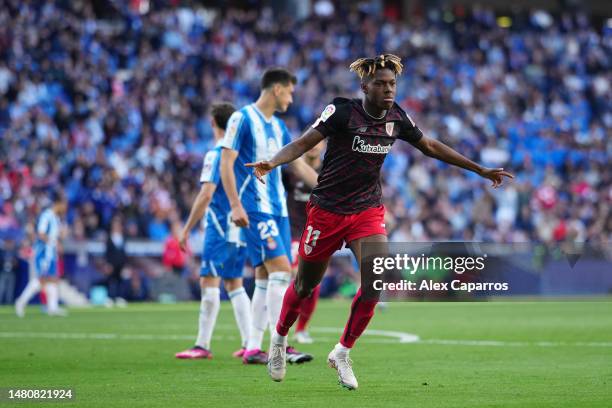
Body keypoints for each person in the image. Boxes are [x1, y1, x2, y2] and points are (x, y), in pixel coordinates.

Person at [246, 54, 514, 389]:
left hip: (367, 210)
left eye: (392, 84)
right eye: (381, 84)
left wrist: (480, 169)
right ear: (365, 86)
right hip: (327, 211)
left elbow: (429, 145)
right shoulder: (342, 111)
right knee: (305, 285)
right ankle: (279, 340)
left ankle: (342, 352)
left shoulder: (398, 117)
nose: (388, 90)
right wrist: (271, 162)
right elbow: (303, 143)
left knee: (376, 282)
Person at [220, 68, 318, 365]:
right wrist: (235, 204)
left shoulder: (278, 127)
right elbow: (227, 163)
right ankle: (281, 344)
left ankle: (252, 347)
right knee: (282, 271)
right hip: (253, 207)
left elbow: (299, 167)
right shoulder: (242, 118)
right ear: (277, 89)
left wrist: (331, 192)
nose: (291, 98)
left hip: (279, 210)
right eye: (289, 91)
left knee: (265, 277)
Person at [175, 102, 252, 360]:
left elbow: (206, 193)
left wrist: (186, 229)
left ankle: (202, 345)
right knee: (234, 283)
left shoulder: (216, 154)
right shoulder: (240, 155)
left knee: (209, 281)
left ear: (212, 123)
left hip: (219, 226)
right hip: (240, 228)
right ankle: (250, 342)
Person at [282, 140, 325, 344]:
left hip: (318, 232)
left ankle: (301, 329)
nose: (314, 146)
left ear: (324, 145)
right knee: (292, 274)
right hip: (293, 230)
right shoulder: (291, 170)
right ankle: (281, 323)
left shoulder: (329, 169)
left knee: (314, 283)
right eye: (311, 142)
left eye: (318, 143)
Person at [15, 190, 68, 317]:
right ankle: (21, 302)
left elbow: (56, 235)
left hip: (51, 254)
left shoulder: (56, 218)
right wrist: (52, 242)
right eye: (64, 204)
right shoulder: (47, 215)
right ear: (58, 203)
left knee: (53, 279)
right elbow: (41, 233)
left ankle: (52, 307)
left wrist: (60, 237)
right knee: (41, 280)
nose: (65, 207)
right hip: (43, 253)